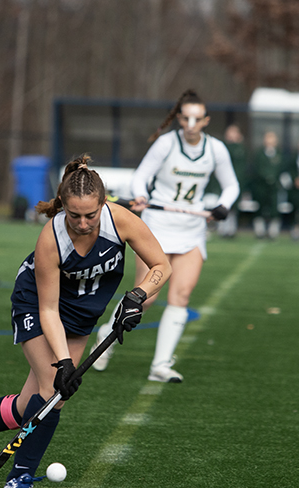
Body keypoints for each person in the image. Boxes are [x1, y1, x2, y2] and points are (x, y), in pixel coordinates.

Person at [0, 156, 171, 488]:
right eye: (74, 215)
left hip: (82, 313)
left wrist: (137, 296)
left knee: (30, 406)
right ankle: (18, 481)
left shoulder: (120, 219)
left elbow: (161, 265)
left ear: (103, 203)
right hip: (37, 304)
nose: (82, 223)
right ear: (63, 206)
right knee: (53, 392)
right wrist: (63, 362)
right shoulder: (51, 238)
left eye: (90, 215)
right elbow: (48, 309)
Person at [91, 89, 239, 383]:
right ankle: (103, 341)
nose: (191, 123)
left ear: (206, 120)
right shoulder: (166, 144)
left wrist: (223, 206)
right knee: (144, 299)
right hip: (157, 227)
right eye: (186, 117)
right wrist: (142, 195)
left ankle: (161, 365)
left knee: (181, 295)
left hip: (192, 230)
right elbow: (141, 176)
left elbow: (231, 186)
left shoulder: (216, 149)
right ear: (180, 118)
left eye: (197, 118)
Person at [208, 124, 248, 238]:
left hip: (234, 182)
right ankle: (221, 229)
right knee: (221, 204)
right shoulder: (222, 147)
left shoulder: (241, 149)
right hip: (222, 182)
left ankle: (231, 230)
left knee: (233, 208)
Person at [249, 131, 285, 239]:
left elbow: (282, 169)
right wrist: (266, 177)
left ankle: (273, 232)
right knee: (260, 207)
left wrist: (273, 178)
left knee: (274, 208)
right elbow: (256, 169)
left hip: (274, 186)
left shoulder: (279, 154)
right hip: (261, 186)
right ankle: (260, 231)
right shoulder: (259, 153)